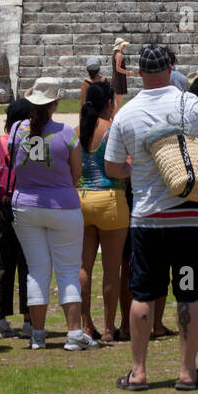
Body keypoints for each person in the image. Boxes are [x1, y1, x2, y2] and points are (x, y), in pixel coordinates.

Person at [105, 44, 198, 391]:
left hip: (148, 219)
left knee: (143, 293)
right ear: (171, 69)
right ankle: (187, 373)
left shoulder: (127, 113)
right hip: (188, 219)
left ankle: (139, 372)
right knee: (187, 293)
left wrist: (139, 169)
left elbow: (113, 167)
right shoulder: (192, 104)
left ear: (138, 73)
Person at [8, 77, 96, 351]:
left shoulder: (16, 130)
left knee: (37, 270)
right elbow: (77, 173)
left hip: (26, 205)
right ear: (55, 103)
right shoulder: (66, 133)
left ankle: (37, 334)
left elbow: (14, 164)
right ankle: (73, 333)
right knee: (68, 270)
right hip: (62, 206)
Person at [78, 81, 129, 344]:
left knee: (84, 267)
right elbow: (120, 165)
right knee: (112, 269)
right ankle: (109, 328)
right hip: (111, 198)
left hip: (82, 198)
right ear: (109, 103)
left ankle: (86, 324)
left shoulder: (79, 131)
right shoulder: (113, 131)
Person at [0, 97, 33, 339]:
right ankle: (29, 320)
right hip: (27, 208)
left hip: (2, 208)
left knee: (1, 264)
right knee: (28, 265)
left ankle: (0, 320)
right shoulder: (34, 142)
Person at [111, 41, 133, 109]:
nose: (124, 47)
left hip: (116, 78)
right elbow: (118, 68)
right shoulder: (119, 55)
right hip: (119, 79)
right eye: (123, 45)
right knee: (118, 102)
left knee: (116, 102)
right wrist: (128, 72)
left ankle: (113, 118)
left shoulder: (115, 54)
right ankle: (115, 118)